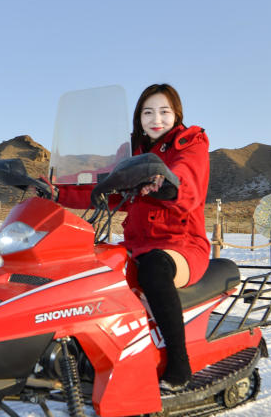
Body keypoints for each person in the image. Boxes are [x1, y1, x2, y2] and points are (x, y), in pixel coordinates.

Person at [54, 83, 210, 394]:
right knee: (92, 266)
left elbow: (187, 177)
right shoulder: (132, 153)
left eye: (164, 111)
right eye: (148, 112)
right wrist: (57, 193)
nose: (156, 119)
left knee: (153, 268)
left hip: (180, 244)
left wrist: (167, 183)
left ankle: (180, 364)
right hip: (136, 243)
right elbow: (106, 192)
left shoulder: (190, 143)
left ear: (176, 114)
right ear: (138, 117)